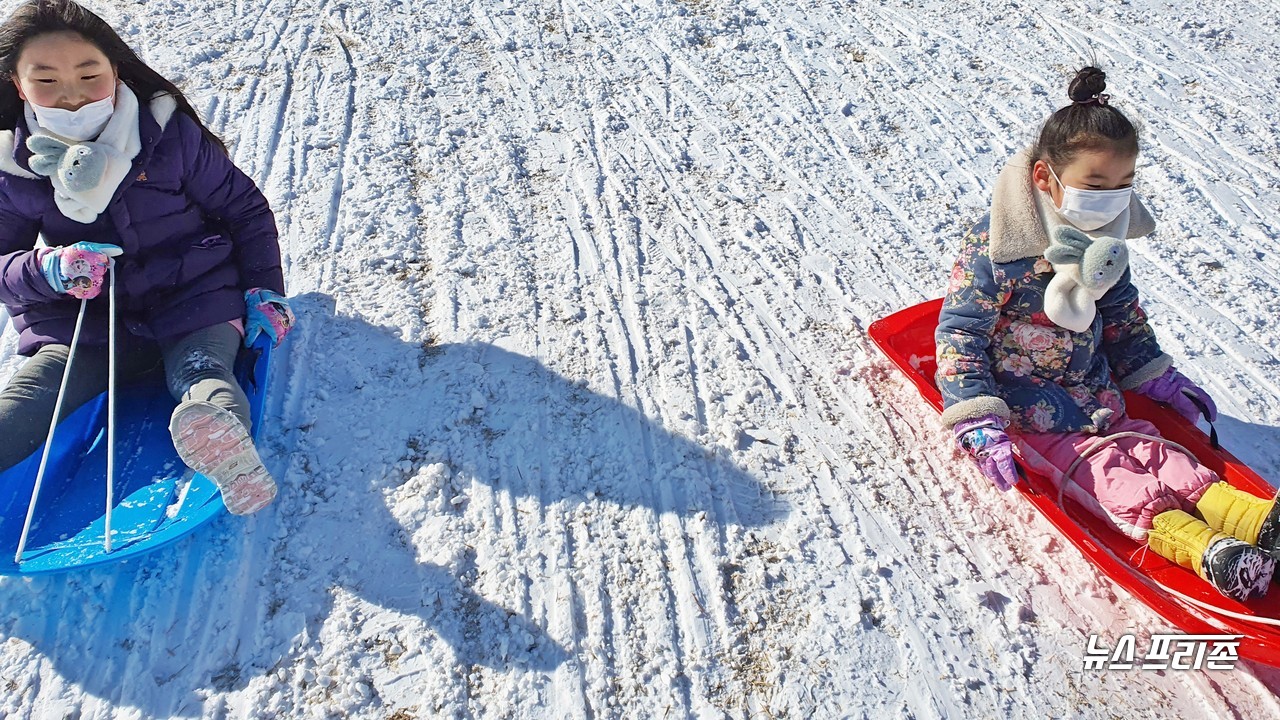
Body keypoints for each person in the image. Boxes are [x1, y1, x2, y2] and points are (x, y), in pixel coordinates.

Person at [936, 66, 1280, 601]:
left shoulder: (1105, 238)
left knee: (1163, 456)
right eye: (1096, 186)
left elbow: (1121, 312)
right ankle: (1207, 552)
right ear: (1044, 178)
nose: (1111, 200)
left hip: (1097, 393)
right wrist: (979, 416)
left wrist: (1155, 375)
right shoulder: (998, 246)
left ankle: (1255, 520)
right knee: (1113, 481)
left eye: (1122, 186)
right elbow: (960, 334)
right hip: (1030, 411)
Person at [0, 0, 294, 515]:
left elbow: (244, 208)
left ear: (115, 69)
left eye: (88, 74)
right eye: (46, 81)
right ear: (18, 86)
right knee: (34, 396)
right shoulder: (15, 166)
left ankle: (223, 444)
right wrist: (47, 270)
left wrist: (262, 287)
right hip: (88, 318)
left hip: (192, 295)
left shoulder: (165, 136)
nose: (71, 97)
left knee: (202, 372)